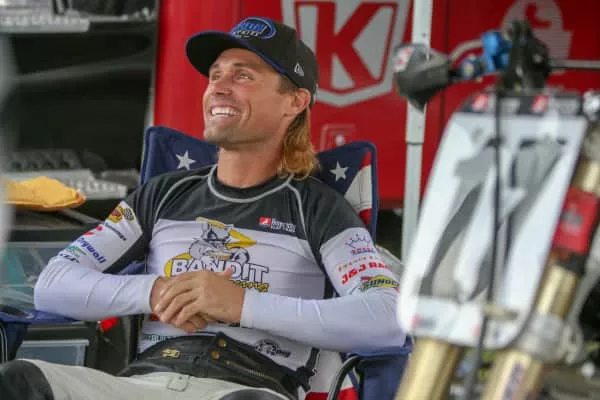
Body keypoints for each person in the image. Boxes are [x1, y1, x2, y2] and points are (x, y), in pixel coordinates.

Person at [0, 16, 406, 400]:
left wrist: (240, 304)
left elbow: (388, 317)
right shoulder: (162, 194)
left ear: (295, 101)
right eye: (215, 75)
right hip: (141, 384)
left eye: (242, 76)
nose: (219, 88)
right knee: (19, 381)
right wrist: (157, 291)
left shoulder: (320, 208)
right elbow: (52, 284)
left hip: (245, 388)